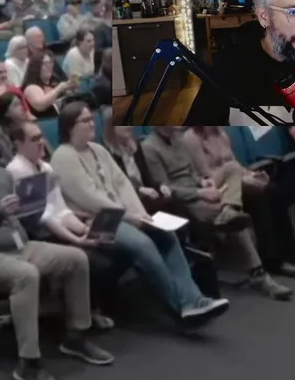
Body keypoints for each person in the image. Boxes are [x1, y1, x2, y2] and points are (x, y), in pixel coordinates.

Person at [0, 127, 112, 380]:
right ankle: (28, 363)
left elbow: (21, 218)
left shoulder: (0, 176)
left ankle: (76, 335)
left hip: (20, 245)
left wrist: (32, 209)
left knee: (77, 258)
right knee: (27, 275)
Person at [45, 114, 231, 328]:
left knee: (166, 235)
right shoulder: (63, 157)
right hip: (96, 221)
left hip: (122, 215)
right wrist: (130, 216)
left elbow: (122, 184)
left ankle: (194, 299)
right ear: (70, 127)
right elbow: (91, 198)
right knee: (142, 244)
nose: (91, 123)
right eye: (85, 120)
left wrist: (141, 213)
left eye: (91, 118)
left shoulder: (98, 150)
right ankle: (181, 307)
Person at [141, 126, 293, 299]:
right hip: (187, 200)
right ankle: (258, 273)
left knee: (232, 168)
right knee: (233, 216)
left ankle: (230, 208)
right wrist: (200, 193)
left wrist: (203, 182)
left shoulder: (179, 139)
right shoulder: (149, 147)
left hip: (198, 188)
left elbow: (192, 173)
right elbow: (165, 188)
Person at [182, 127, 295, 277]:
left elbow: (235, 163)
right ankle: (272, 260)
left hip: (236, 178)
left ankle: (291, 252)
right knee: (259, 196)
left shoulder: (220, 133)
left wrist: (251, 174)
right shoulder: (191, 138)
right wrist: (242, 178)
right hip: (217, 187)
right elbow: (207, 175)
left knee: (273, 190)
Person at [22, 53, 78, 119]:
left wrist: (70, 89)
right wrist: (59, 89)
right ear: (36, 67)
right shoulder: (30, 87)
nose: (50, 66)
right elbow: (40, 105)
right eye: (45, 64)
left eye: (50, 63)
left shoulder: (55, 80)